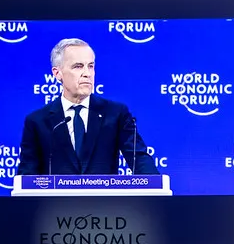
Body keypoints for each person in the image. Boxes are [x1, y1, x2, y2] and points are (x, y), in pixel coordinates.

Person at [18, 38, 158, 176]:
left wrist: (156, 187)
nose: (87, 73)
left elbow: (139, 159)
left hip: (103, 199)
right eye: (78, 66)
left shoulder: (115, 114)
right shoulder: (37, 121)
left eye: (90, 66)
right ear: (57, 73)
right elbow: (27, 177)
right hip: (57, 199)